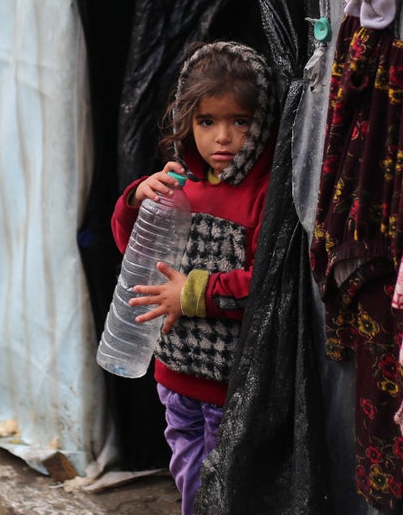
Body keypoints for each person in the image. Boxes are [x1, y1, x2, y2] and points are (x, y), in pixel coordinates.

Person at [110, 41, 280, 515]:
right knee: (188, 470)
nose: (222, 138)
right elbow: (130, 249)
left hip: (230, 381)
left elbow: (264, 283)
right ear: (188, 122)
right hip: (174, 372)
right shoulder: (178, 184)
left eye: (239, 121)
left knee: (224, 482)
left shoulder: (263, 195)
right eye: (207, 122)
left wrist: (191, 293)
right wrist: (137, 199)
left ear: (262, 121)